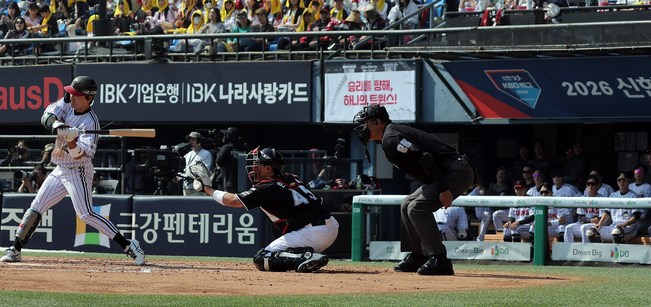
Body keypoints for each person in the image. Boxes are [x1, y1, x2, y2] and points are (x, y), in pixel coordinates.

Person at [0, 76, 145, 265]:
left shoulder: (90, 123)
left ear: (88, 98)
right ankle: (16, 250)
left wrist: (70, 140)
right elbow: (46, 115)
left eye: (77, 95)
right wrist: (57, 124)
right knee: (37, 206)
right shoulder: (67, 102)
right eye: (71, 93)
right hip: (60, 168)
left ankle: (128, 245)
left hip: (79, 171)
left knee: (85, 214)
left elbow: (80, 155)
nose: (71, 97)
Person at [353, 104, 476, 276]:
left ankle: (440, 259)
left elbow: (425, 158)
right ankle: (419, 255)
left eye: (365, 123)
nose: (362, 127)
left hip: (456, 172)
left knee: (417, 207)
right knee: (406, 204)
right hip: (447, 171)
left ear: (376, 121)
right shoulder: (391, 133)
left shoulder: (391, 137)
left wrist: (443, 189)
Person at [189, 146, 335, 273]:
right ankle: (305, 256)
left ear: (268, 168)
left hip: (313, 233)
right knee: (280, 250)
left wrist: (208, 189)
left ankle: (306, 257)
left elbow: (232, 201)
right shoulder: (291, 178)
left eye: (258, 164)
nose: (254, 167)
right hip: (331, 226)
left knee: (262, 258)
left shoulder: (269, 187)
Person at [182, 131, 214, 196]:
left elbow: (205, 170)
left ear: (199, 141)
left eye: (193, 140)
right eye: (190, 140)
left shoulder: (206, 154)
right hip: (186, 187)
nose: (191, 143)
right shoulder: (187, 155)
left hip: (198, 187)